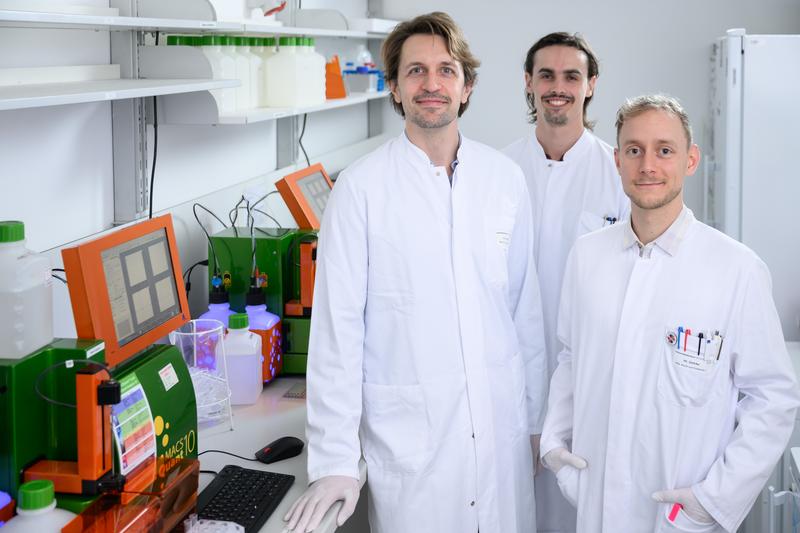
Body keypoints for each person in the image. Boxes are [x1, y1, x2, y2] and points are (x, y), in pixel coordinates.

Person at [283, 11, 547, 533]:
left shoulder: (505, 180)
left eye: (446, 70)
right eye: (416, 71)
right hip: (413, 447)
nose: (432, 84)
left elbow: (525, 311)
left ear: (466, 87)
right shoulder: (360, 191)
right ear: (396, 90)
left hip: (501, 438)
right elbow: (337, 335)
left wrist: (535, 422)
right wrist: (335, 462)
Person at [540, 94, 800, 532]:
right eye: (634, 150)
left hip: (678, 514)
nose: (648, 166)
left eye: (664, 150)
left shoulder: (737, 269)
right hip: (595, 504)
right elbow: (571, 357)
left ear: (690, 160)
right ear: (617, 160)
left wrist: (713, 498)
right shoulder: (587, 256)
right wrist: (555, 445)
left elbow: (772, 399)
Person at [502, 32, 628, 533]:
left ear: (590, 85)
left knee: (584, 509)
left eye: (571, 76)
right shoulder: (497, 171)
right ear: (529, 83)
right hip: (510, 379)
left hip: (592, 381)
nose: (558, 87)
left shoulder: (619, 172)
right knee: (514, 506)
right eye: (546, 75)